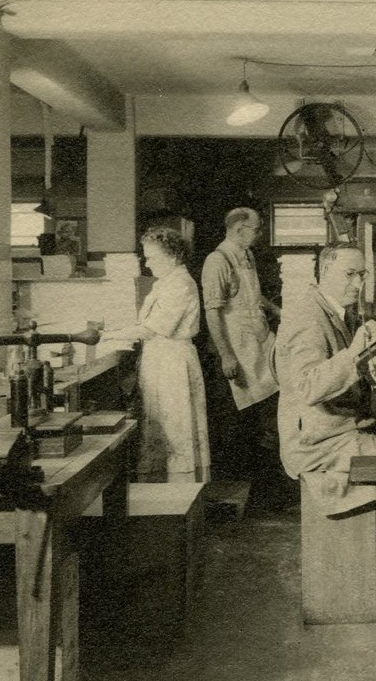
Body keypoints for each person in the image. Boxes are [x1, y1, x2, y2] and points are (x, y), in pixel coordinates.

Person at [275, 244, 376, 571]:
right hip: (318, 443)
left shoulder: (332, 312)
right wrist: (357, 354)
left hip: (335, 430)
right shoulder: (307, 317)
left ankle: (368, 550)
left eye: (362, 274)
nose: (358, 283)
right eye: (349, 274)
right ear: (324, 271)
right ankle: (365, 553)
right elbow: (307, 385)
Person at [101, 226, 210, 483]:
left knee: (175, 427)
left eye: (151, 257)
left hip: (173, 362)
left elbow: (153, 328)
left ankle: (180, 488)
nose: (147, 264)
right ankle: (163, 487)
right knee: (161, 424)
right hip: (160, 358)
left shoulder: (180, 284)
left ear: (172, 256)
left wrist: (108, 335)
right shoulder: (165, 283)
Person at [202, 207, 290, 509]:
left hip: (258, 344)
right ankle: (250, 495)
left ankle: (269, 490)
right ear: (239, 229)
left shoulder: (247, 255)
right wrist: (226, 355)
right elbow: (213, 313)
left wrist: (277, 310)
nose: (260, 233)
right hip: (236, 353)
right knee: (241, 426)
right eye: (256, 228)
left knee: (267, 418)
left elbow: (253, 296)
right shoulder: (218, 261)